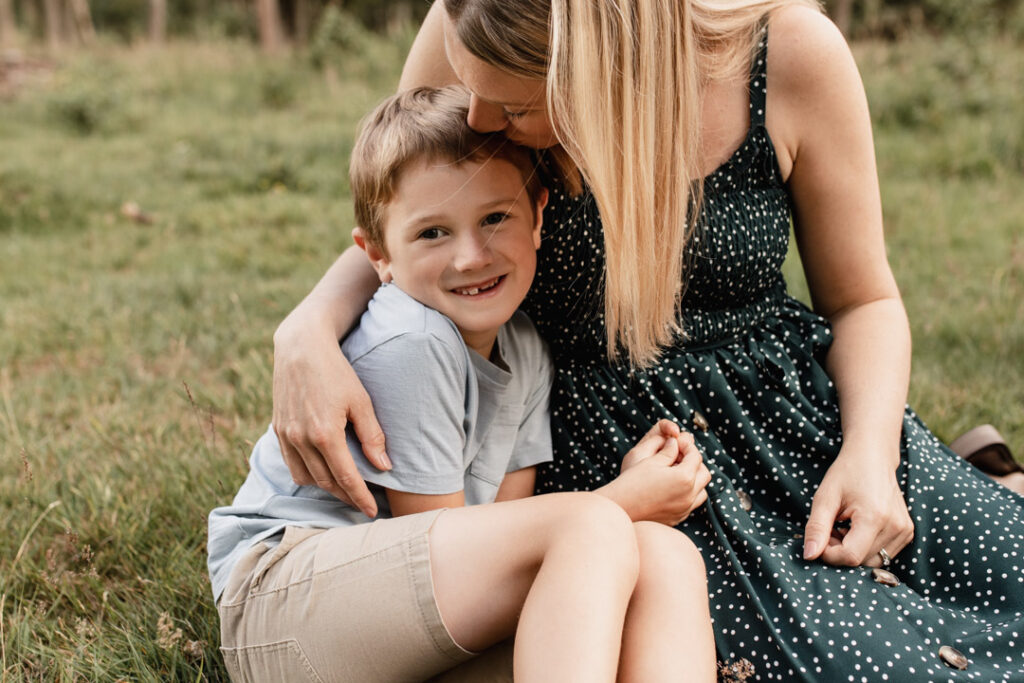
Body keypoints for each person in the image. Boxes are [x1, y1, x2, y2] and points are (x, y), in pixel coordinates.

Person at [271, 1, 1024, 680]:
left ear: (600, 70)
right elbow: (412, 217)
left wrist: (871, 454)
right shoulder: (476, 19)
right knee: (848, 658)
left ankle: (979, 482)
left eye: (517, 105)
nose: (479, 122)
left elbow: (865, 299)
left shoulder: (791, 54)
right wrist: (305, 329)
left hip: (798, 422)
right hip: (610, 456)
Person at [209, 86, 716, 683]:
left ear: (538, 217)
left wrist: (616, 511)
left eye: (495, 217)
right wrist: (627, 498)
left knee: (665, 557)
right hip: (287, 605)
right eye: (432, 233)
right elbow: (431, 538)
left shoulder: (524, 346)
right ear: (378, 256)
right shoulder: (410, 341)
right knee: (600, 525)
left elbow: (508, 530)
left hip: (411, 619)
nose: (471, 256)